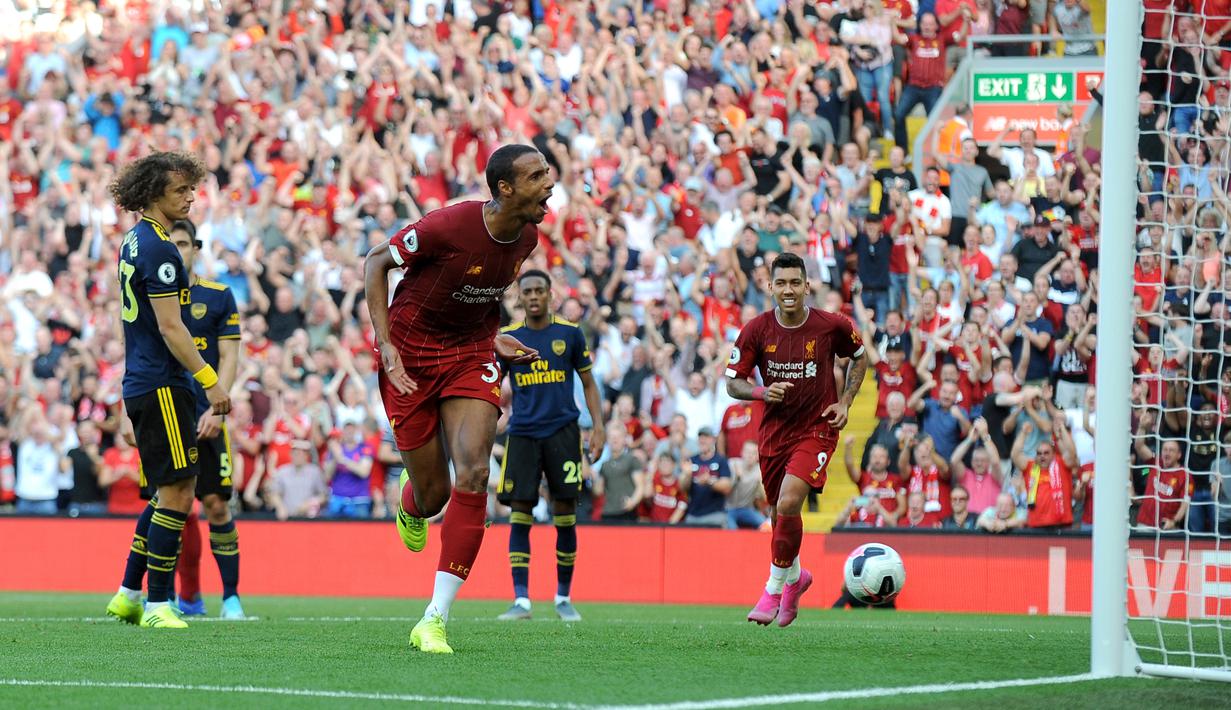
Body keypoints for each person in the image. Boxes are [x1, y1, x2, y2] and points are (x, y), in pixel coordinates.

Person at [364, 144, 550, 654]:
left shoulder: (527, 237)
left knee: (473, 473)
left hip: (471, 356)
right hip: (410, 359)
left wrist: (493, 340)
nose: (549, 184)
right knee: (434, 496)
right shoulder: (447, 225)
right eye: (536, 177)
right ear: (505, 189)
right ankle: (413, 501)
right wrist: (385, 346)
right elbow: (376, 261)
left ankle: (434, 619)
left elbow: (477, 297)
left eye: (547, 173)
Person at [105, 152, 232, 630]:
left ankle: (127, 594)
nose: (191, 196)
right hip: (162, 383)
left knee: (164, 492)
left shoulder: (135, 241)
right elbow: (171, 328)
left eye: (191, 188)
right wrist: (210, 380)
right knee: (179, 491)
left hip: (144, 379)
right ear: (154, 192)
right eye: (180, 190)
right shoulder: (160, 250)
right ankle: (159, 603)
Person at [726, 252, 869, 628]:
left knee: (789, 501)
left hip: (817, 428)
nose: (788, 290)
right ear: (770, 287)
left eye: (795, 283)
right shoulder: (756, 330)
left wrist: (846, 401)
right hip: (775, 434)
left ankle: (773, 588)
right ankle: (796, 579)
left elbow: (860, 356)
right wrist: (762, 393)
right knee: (778, 515)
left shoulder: (831, 325)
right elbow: (732, 382)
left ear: (807, 286)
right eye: (781, 283)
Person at [494, 270, 605, 623]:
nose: (534, 297)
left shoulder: (570, 334)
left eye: (540, 291)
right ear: (519, 298)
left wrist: (598, 428)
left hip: (563, 433)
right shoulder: (507, 338)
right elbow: (490, 385)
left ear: (550, 295)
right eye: (527, 292)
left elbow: (588, 383)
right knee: (520, 515)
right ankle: (521, 601)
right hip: (523, 434)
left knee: (565, 515)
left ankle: (563, 598)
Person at [165, 220, 246, 620]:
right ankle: (182, 598)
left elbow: (230, 355)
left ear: (195, 247)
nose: (178, 251)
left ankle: (230, 597)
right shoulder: (154, 298)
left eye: (183, 243)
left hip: (208, 415)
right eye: (171, 243)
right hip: (166, 415)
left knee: (215, 504)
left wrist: (218, 408)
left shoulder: (217, 297)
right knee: (171, 509)